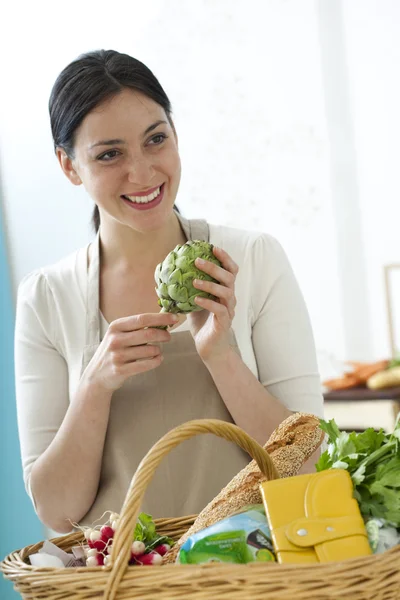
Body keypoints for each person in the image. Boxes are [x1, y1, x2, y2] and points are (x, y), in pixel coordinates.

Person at [15, 50, 323, 534]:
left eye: (155, 139)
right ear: (69, 166)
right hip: (119, 581)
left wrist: (222, 356)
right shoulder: (46, 299)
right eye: (109, 154)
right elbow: (57, 512)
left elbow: (306, 466)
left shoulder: (256, 259)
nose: (142, 174)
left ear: (175, 134)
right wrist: (95, 386)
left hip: (255, 575)